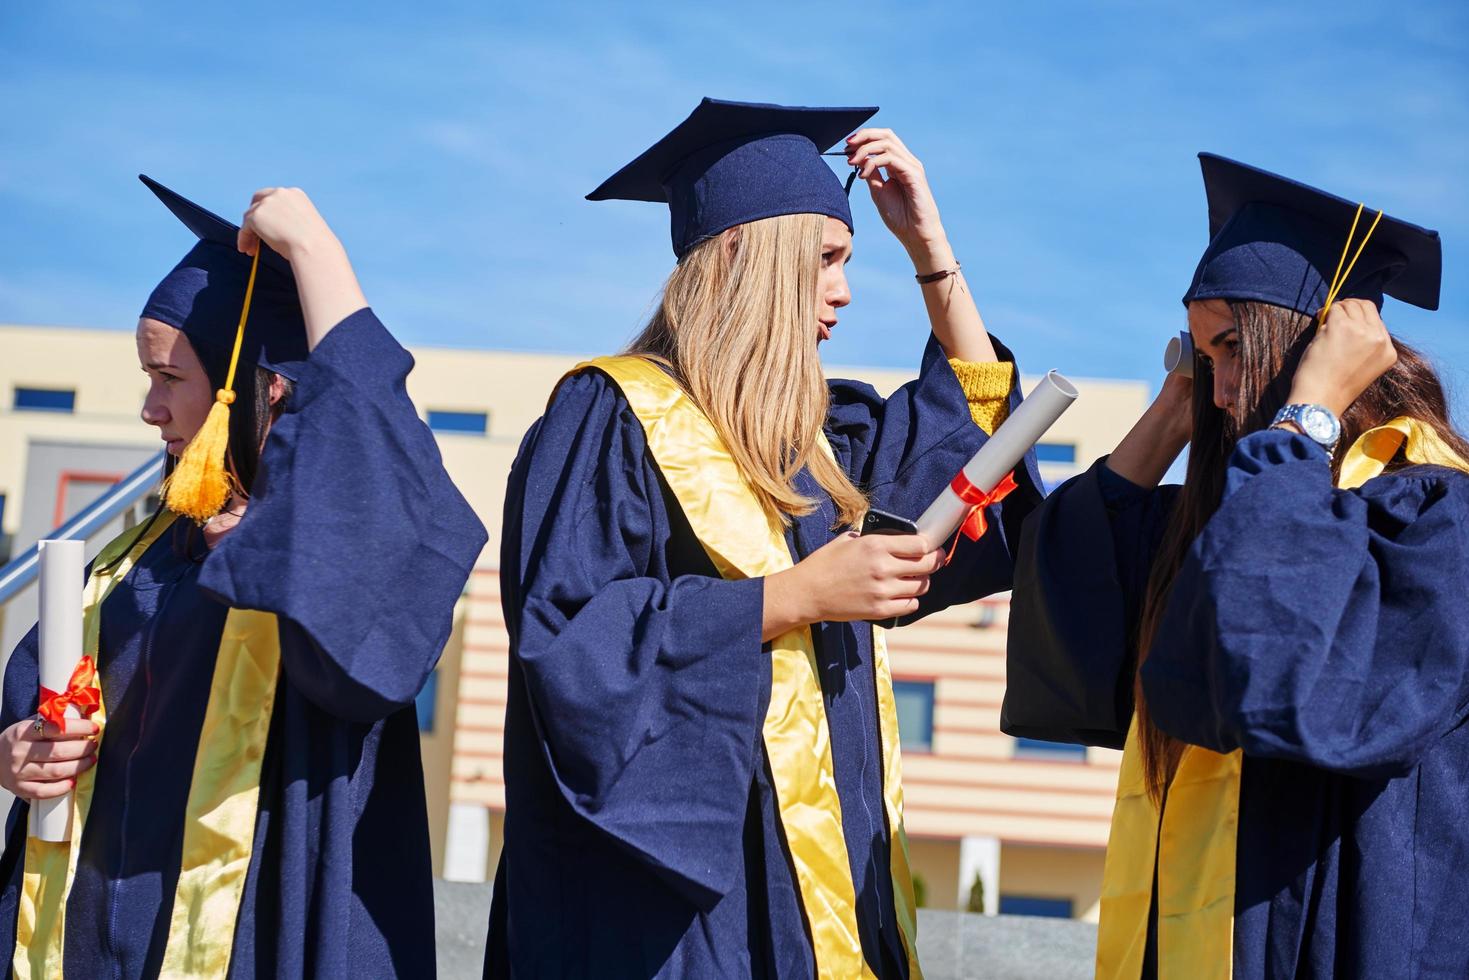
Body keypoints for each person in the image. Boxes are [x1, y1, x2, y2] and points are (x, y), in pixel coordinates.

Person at [486, 98, 1044, 978]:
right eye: (825, 259)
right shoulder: (610, 416)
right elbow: (568, 642)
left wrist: (932, 256)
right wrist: (795, 597)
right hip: (681, 908)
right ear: (749, 255)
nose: (845, 291)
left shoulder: (824, 447)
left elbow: (973, 442)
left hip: (830, 891)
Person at [0, 176, 487, 977]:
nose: (149, 410)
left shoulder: (311, 546)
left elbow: (370, 466)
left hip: (254, 933)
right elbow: (45, 701)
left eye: (169, 378)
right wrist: (22, 751)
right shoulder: (140, 554)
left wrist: (318, 258)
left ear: (255, 388)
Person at [1002, 153, 1469, 979]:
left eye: (1230, 349)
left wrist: (1308, 413)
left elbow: (1281, 679)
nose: (1217, 387)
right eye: (1197, 352)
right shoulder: (1240, 517)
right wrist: (1174, 404)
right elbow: (1078, 588)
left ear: (1311, 348)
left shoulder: (1432, 519)